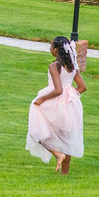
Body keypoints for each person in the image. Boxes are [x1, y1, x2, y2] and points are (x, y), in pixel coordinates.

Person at [26, 36, 85, 174]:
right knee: (67, 136)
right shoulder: (73, 67)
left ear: (56, 50)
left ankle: (57, 154)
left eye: (51, 46)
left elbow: (58, 90)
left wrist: (42, 99)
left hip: (55, 101)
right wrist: (71, 94)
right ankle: (64, 173)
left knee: (37, 130)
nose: (50, 49)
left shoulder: (54, 66)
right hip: (71, 104)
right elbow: (82, 87)